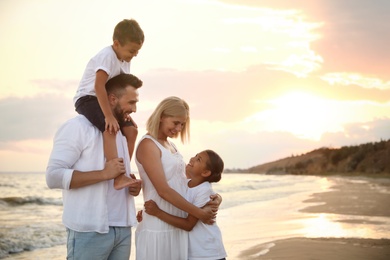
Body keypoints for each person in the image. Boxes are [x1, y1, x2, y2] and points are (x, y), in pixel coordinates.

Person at [46, 73, 143, 260]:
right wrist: (103, 174)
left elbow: (118, 173)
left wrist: (131, 186)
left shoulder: (122, 133)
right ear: (112, 99)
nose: (134, 109)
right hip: (89, 231)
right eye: (131, 102)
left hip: (123, 228)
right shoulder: (77, 127)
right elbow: (53, 176)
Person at [134, 96, 221, 260]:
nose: (179, 128)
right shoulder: (148, 145)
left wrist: (215, 198)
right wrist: (200, 213)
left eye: (182, 124)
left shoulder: (170, 145)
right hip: (158, 229)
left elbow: (185, 184)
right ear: (161, 116)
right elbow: (163, 190)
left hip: (177, 227)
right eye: (176, 123)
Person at [73, 19, 144, 190]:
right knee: (110, 127)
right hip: (88, 98)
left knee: (131, 130)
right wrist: (109, 116)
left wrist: (124, 113)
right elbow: (98, 86)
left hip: (107, 100)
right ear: (117, 44)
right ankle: (118, 177)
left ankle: (125, 171)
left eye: (137, 51)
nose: (134, 54)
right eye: (132, 50)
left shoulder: (125, 59)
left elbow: (121, 90)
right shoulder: (107, 56)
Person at [144, 149, 227, 260]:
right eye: (195, 155)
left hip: (207, 252)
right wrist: (146, 215)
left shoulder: (204, 190)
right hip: (193, 252)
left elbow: (188, 225)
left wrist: (158, 212)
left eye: (198, 159)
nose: (192, 158)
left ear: (206, 172)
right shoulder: (184, 184)